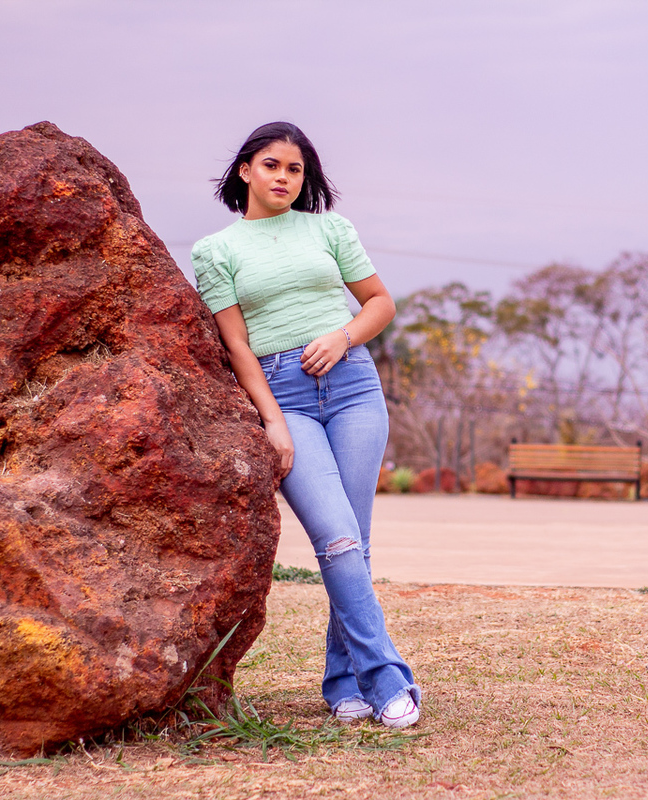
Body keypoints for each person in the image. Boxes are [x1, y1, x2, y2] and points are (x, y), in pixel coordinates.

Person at [191, 122, 419, 728]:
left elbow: (380, 303)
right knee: (338, 539)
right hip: (284, 394)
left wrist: (342, 336)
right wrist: (271, 420)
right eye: (271, 166)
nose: (283, 178)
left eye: (294, 169)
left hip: (353, 388)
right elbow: (236, 344)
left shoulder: (330, 228)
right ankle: (387, 678)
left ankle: (343, 682)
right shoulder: (216, 250)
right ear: (245, 170)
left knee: (356, 541)